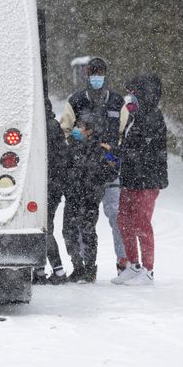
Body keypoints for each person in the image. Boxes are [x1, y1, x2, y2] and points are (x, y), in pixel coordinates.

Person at [59, 57, 126, 275]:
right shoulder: (76, 100)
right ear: (87, 75)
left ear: (106, 75)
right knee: (79, 221)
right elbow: (64, 130)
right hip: (82, 170)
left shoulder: (117, 102)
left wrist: (114, 152)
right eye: (93, 73)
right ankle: (82, 266)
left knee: (115, 215)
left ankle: (123, 264)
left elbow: (125, 133)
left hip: (109, 168)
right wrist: (73, 139)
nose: (97, 77)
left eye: (100, 73)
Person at [110, 74, 169, 286]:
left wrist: (118, 153)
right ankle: (133, 265)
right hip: (131, 178)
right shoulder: (135, 118)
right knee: (123, 220)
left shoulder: (153, 118)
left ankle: (148, 270)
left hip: (147, 180)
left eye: (134, 93)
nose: (130, 98)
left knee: (141, 224)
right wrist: (114, 154)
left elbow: (142, 152)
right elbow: (129, 148)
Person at [60, 112, 119, 282]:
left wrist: (95, 178)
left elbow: (112, 170)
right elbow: (63, 167)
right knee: (68, 232)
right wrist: (69, 180)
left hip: (90, 198)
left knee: (88, 233)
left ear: (90, 130)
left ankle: (90, 269)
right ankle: (77, 267)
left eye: (81, 127)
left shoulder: (101, 148)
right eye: (77, 126)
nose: (77, 129)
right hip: (72, 196)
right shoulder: (71, 145)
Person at [39, 95, 73, 284]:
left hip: (48, 186)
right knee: (45, 227)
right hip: (54, 185)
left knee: (44, 228)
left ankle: (57, 271)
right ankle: (48, 270)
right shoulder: (53, 126)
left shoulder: (45, 127)